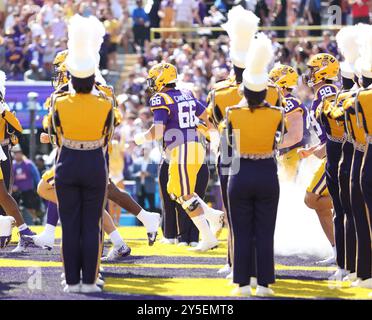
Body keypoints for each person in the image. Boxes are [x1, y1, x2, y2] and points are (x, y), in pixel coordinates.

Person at [46, 14, 114, 293]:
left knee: (70, 223)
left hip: (67, 160)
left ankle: (71, 280)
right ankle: (89, 280)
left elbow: (54, 134)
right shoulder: (105, 101)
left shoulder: (60, 100)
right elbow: (108, 135)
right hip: (95, 160)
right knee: (91, 223)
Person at [134, 62, 224, 252]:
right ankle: (213, 215)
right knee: (175, 191)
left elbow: (158, 131)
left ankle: (208, 236)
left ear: (161, 78)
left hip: (182, 148)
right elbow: (207, 116)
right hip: (194, 147)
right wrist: (212, 134)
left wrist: (142, 138)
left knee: (183, 193)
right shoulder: (187, 94)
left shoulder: (161, 98)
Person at [227, 32, 283, 297]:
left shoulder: (233, 112)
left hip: (240, 172)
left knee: (240, 229)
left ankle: (241, 283)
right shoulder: (277, 113)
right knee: (264, 230)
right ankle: (263, 284)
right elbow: (277, 141)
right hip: (267, 172)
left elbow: (229, 146)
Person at [208, 5, 260, 276]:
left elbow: (209, 121)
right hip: (261, 153)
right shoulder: (269, 90)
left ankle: (234, 262)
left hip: (229, 149)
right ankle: (256, 264)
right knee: (257, 212)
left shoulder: (220, 90)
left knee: (232, 209)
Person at [298, 53, 339, 265]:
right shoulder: (322, 92)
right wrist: (314, 147)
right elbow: (326, 132)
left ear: (323, 70)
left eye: (313, 69)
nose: (309, 73)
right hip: (329, 151)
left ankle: (355, 201)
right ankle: (337, 250)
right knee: (319, 205)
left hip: (336, 153)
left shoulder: (327, 91)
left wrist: (323, 148)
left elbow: (338, 128)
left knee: (312, 199)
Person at [0, 70, 35, 252]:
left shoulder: (3, 108)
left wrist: (4, 112)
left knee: (4, 195)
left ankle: (13, 233)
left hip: (2, 152)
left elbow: (17, 130)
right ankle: (21, 231)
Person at [270, 64, 309, 181]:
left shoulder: (289, 102)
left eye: (272, 80)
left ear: (282, 83)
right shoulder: (282, 101)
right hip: (287, 155)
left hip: (293, 154)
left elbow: (294, 136)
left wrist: (267, 145)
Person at [12, 145, 41, 225]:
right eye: (15, 153)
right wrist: (12, 186)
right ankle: (18, 224)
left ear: (21, 153)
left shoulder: (28, 164)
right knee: (15, 208)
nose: (17, 154)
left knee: (30, 207)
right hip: (17, 190)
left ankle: (36, 220)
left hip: (28, 189)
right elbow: (11, 177)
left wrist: (39, 186)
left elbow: (36, 175)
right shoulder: (12, 165)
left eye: (18, 153)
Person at [132, 147, 158, 212]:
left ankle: (153, 222)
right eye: (143, 150)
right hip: (140, 188)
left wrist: (149, 174)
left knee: (152, 207)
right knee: (139, 208)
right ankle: (139, 222)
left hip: (150, 188)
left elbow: (157, 174)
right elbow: (131, 174)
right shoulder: (136, 162)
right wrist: (138, 174)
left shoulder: (154, 162)